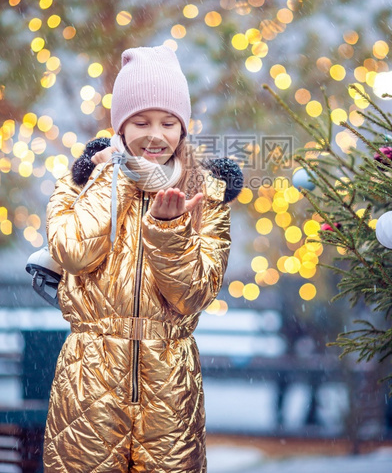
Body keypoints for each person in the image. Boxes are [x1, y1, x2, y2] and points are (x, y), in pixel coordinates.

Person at [43, 45, 243, 473]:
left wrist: (169, 232)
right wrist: (108, 177)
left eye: (169, 122)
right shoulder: (80, 183)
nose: (156, 134)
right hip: (89, 377)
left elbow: (194, 295)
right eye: (141, 121)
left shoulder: (206, 193)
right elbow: (74, 253)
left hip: (169, 382)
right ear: (119, 126)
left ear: (183, 129)